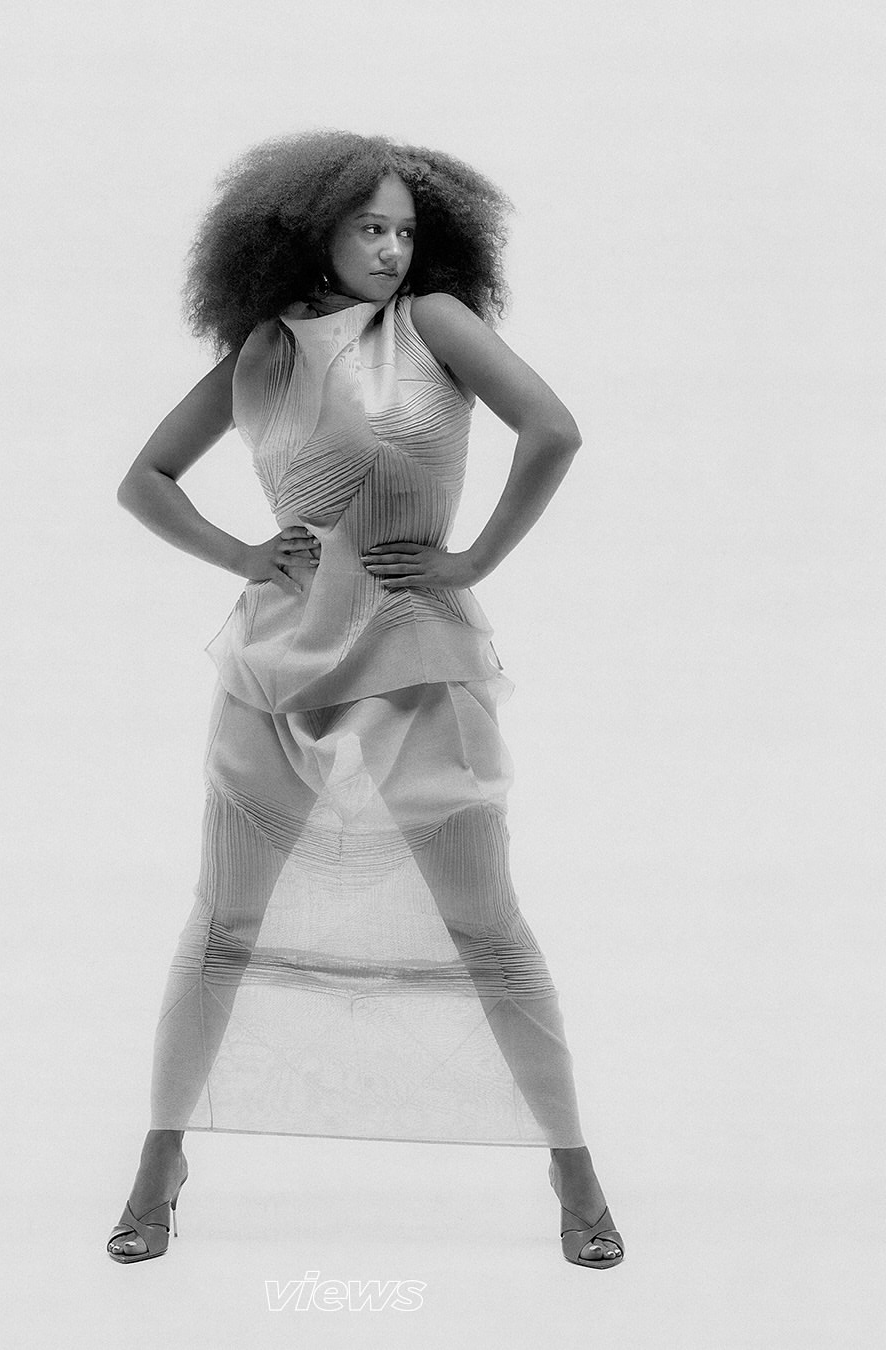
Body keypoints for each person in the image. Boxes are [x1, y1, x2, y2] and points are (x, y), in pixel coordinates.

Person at [106, 130, 624, 1270]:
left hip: (412, 651)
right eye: (369, 228)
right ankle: (159, 1161)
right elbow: (144, 479)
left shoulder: (434, 321)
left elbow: (555, 430)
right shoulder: (261, 349)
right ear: (310, 232)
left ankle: (575, 1171)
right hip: (275, 663)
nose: (392, 249)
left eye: (405, 230)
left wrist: (474, 559)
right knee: (222, 926)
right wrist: (243, 555)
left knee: (487, 928)